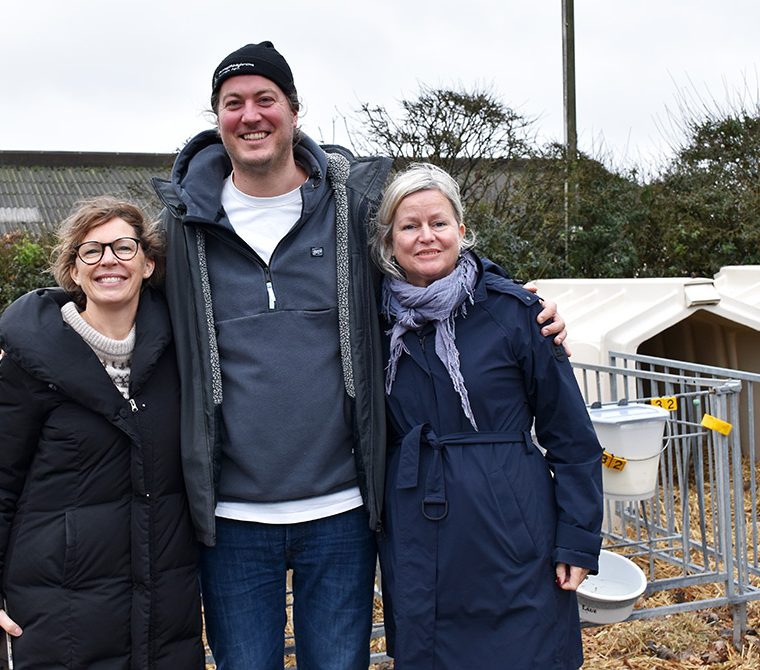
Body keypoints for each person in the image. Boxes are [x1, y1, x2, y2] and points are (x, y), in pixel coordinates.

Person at [151, 42, 567, 669]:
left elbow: (429, 251)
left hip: (342, 511)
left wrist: (516, 296)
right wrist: (47, 331)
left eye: (267, 99)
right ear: (216, 119)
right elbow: (113, 284)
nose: (251, 115)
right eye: (233, 103)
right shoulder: (180, 227)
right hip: (231, 514)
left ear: (294, 110)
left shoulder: (351, 208)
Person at [0, 196, 202, 670]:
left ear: (148, 264)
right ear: (73, 270)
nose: (109, 260)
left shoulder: (181, 354)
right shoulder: (33, 361)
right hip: (57, 605)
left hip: (163, 603)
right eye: (92, 251)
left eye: (125, 248)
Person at [371, 162, 603, 669]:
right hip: (416, 523)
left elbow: (570, 435)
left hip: (511, 524)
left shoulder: (517, 312)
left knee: (526, 651)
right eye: (410, 226)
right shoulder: (371, 321)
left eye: (439, 222)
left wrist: (579, 539)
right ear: (390, 242)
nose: (426, 237)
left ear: (462, 230)